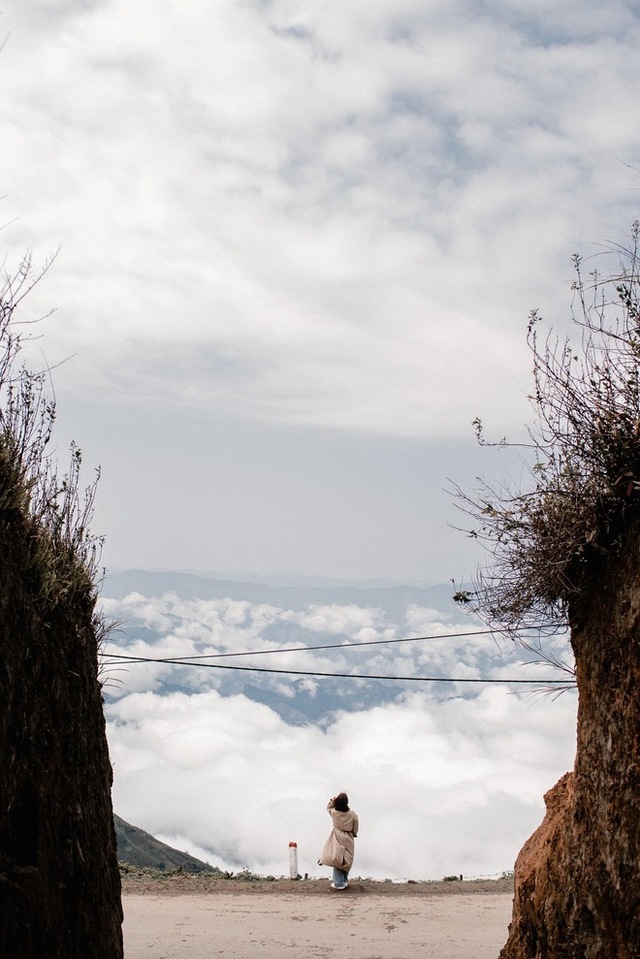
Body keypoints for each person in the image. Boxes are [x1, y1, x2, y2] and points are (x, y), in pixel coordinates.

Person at [318, 792, 359, 890]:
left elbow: (328, 808)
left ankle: (338, 883)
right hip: (348, 836)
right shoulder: (352, 815)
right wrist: (353, 833)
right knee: (347, 859)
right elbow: (356, 827)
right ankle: (344, 880)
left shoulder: (334, 813)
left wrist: (332, 801)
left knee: (337, 858)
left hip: (337, 835)